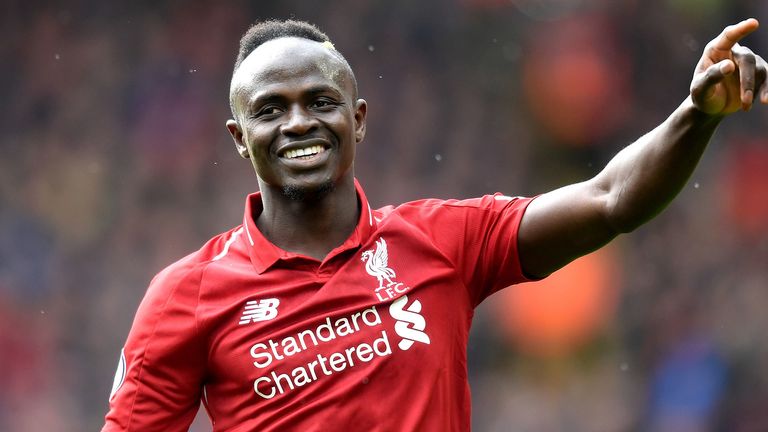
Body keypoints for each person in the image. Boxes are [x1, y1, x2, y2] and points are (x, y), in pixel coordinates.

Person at [103, 18, 767, 431]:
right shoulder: (183, 298)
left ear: (357, 119)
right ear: (239, 138)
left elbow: (610, 199)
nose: (300, 122)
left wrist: (695, 115)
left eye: (321, 101)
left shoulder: (441, 241)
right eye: (271, 109)